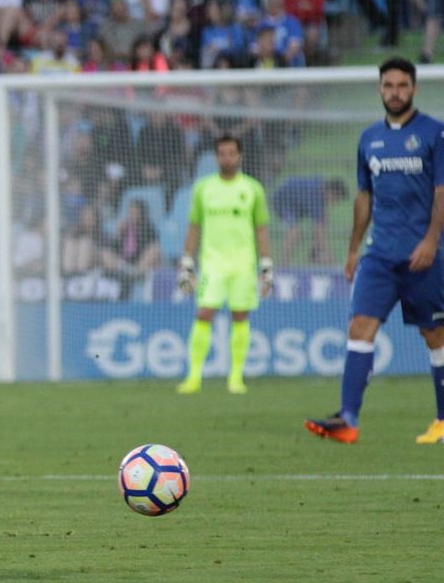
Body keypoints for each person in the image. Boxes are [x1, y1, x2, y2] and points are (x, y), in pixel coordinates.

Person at [307, 58, 444, 445]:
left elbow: (441, 192)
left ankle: (442, 419)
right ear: (380, 89)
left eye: (402, 85)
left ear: (414, 89)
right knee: (359, 326)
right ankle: (348, 418)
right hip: (380, 254)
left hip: (424, 255)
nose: (395, 92)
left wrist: (432, 240)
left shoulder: (434, 133)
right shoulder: (369, 139)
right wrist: (353, 249)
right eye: (388, 85)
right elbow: (364, 196)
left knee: (435, 334)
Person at [175, 135, 273, 395]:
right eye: (222, 154)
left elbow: (261, 228)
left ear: (239, 156)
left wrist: (266, 265)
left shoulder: (252, 189)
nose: (227, 158)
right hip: (212, 264)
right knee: (203, 313)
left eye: (231, 153)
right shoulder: (203, 188)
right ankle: (193, 376)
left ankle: (236, 378)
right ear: (216, 157)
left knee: (240, 316)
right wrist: (186, 263)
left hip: (243, 265)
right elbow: (194, 226)